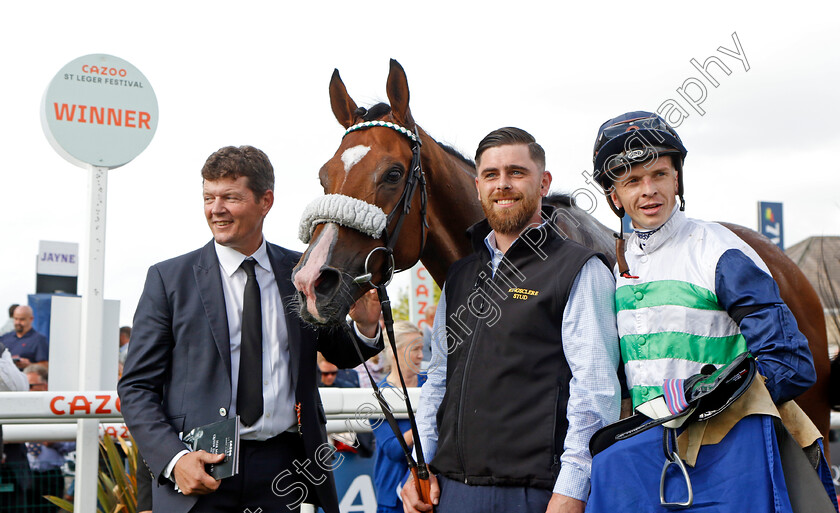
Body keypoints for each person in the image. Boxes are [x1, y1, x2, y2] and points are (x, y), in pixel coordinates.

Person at [585, 111, 837, 512]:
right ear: (615, 196)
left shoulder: (719, 250)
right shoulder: (618, 267)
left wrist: (708, 409)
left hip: (729, 457)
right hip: (653, 455)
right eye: (633, 181)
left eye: (659, 175)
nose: (649, 190)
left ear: (677, 180)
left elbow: (790, 363)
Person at [118, 145, 384, 513]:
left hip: (283, 470)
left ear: (266, 201)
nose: (216, 209)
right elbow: (136, 387)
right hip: (200, 472)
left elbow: (339, 351)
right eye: (209, 197)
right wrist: (175, 459)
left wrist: (366, 325)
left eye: (230, 197)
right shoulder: (168, 279)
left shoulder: (301, 272)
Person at [402, 127, 621, 513]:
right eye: (491, 175)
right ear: (478, 186)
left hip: (537, 493)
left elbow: (595, 392)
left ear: (544, 183)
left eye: (516, 172)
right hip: (451, 491)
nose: (502, 185)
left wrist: (573, 488)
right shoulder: (460, 275)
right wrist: (420, 467)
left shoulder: (580, 269)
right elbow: (438, 379)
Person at [371, 321, 425, 513]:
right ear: (394, 351)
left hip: (432, 489)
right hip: (393, 497)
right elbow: (393, 449)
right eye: (414, 349)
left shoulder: (430, 384)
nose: (421, 355)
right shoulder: (379, 394)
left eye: (422, 348)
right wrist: (426, 422)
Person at [23, 365, 73, 513]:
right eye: (26, 386)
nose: (28, 390)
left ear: (45, 386)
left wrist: (55, 442)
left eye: (31, 386)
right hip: (25, 472)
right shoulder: (19, 408)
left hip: (50, 476)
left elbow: (75, 440)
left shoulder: (57, 409)